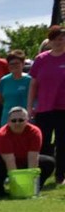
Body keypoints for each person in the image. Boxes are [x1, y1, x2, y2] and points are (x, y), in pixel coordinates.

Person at [0, 107, 55, 197]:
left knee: (48, 162)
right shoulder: (2, 135)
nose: (17, 123)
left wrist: (29, 186)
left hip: (23, 160)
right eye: (14, 120)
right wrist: (17, 189)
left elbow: (33, 159)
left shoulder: (35, 132)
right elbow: (10, 162)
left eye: (21, 120)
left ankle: (34, 189)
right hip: (0, 162)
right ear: (8, 122)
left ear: (27, 120)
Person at [28, 25, 65, 184]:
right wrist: (30, 106)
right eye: (55, 39)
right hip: (44, 108)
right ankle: (42, 175)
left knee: (62, 143)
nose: (59, 42)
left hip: (63, 108)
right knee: (43, 143)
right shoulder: (41, 59)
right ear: (49, 41)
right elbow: (33, 84)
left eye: (62, 38)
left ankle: (60, 175)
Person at [0, 50, 31, 126]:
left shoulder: (29, 80)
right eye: (11, 64)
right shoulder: (4, 80)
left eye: (17, 63)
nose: (14, 66)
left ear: (23, 64)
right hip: (7, 118)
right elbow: (0, 97)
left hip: (24, 118)